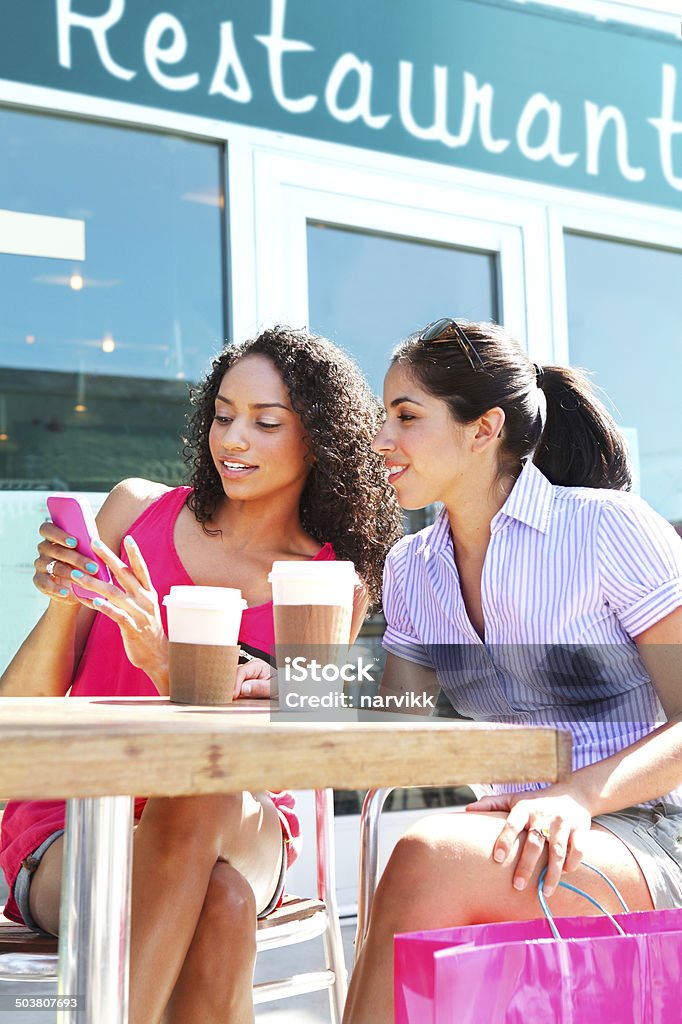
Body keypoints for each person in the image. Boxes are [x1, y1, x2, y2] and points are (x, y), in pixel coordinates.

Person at [0, 326, 401, 1024]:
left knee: (198, 796)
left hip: (237, 823)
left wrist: (169, 661)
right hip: (73, 824)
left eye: (265, 422)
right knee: (222, 907)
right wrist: (69, 601)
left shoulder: (329, 581)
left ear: (319, 440)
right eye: (222, 415)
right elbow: (16, 712)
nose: (233, 440)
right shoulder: (135, 513)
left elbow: (303, 750)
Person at [343, 317, 682, 1024]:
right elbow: (390, 734)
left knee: (426, 856)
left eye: (406, 417)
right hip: (522, 833)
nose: (381, 440)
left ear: (483, 428)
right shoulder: (413, 568)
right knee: (431, 862)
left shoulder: (606, 529)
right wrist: (290, 681)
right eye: (384, 417)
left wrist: (575, 797)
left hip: (647, 828)